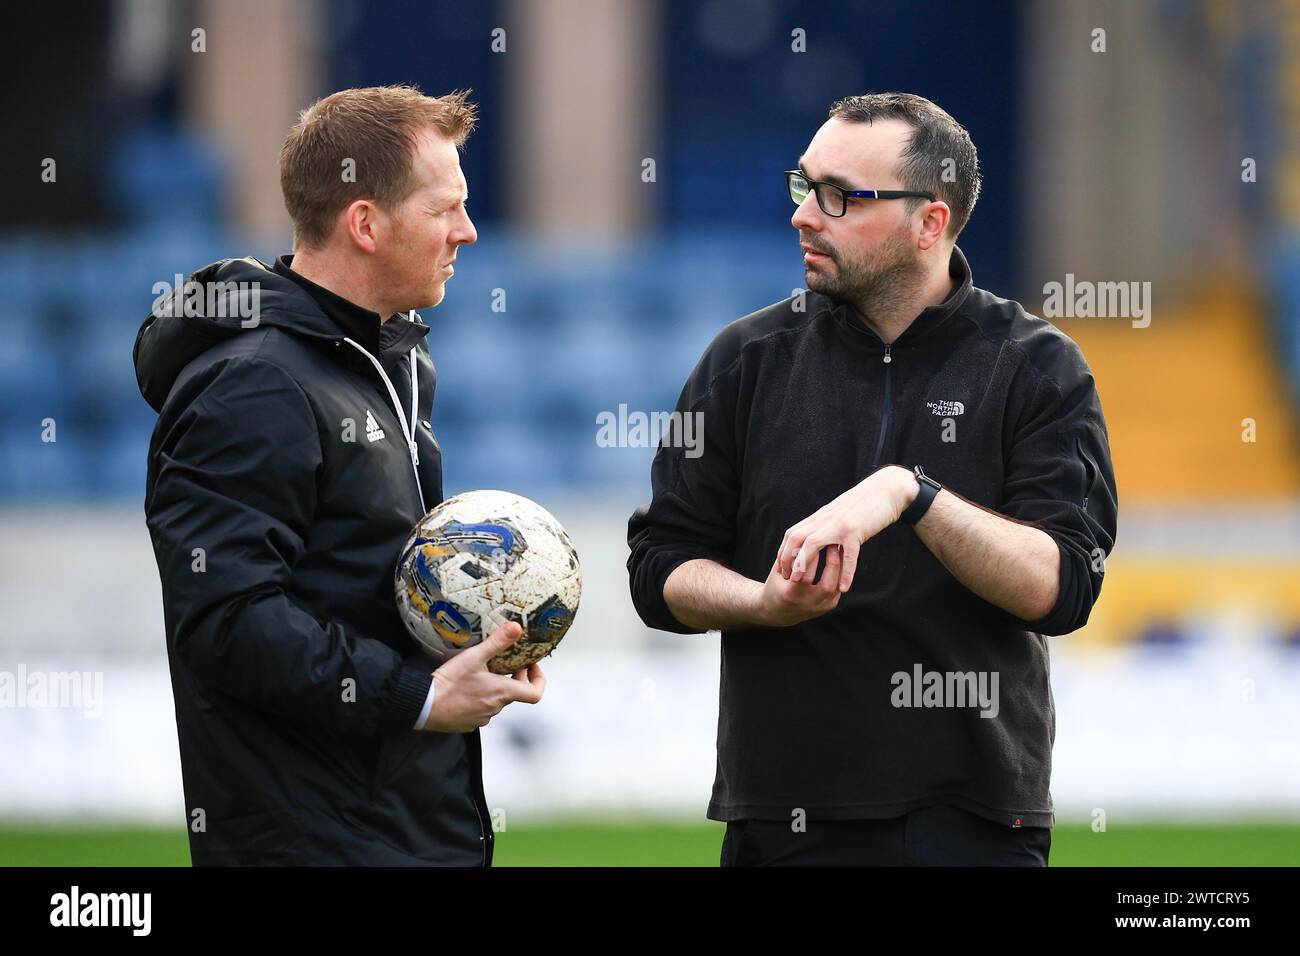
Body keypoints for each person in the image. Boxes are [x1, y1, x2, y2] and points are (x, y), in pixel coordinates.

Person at [626, 92, 1117, 866]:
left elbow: (1062, 588)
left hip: (976, 822)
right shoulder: (744, 360)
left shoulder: (1038, 366)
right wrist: (760, 603)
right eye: (804, 185)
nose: (803, 215)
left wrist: (912, 496)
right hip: (781, 822)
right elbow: (658, 570)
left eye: (839, 196)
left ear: (929, 222)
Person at [135, 85, 545, 866]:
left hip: (410, 827)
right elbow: (227, 620)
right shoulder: (254, 385)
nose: (468, 230)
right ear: (365, 224)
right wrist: (423, 697)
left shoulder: (393, 357)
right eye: (446, 209)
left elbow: (357, 579)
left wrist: (469, 635)